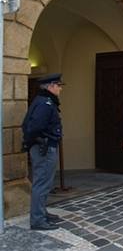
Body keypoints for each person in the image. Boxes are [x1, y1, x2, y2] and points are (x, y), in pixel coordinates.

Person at [22, 74, 64, 230]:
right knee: (42, 183)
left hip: (43, 147)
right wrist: (41, 140)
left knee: (45, 183)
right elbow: (33, 127)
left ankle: (41, 212)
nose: (60, 88)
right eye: (58, 85)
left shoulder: (43, 101)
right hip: (44, 148)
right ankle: (38, 220)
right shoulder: (45, 104)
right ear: (51, 86)